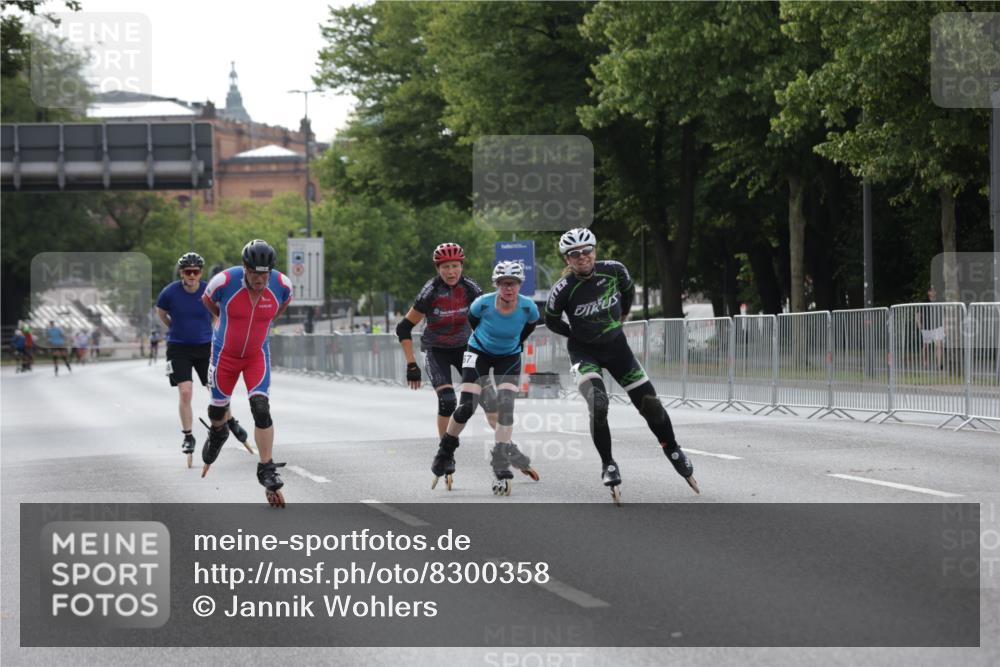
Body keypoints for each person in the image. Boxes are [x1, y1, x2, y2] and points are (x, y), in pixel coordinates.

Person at [544, 228, 698, 503]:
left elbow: (627, 294)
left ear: (595, 251)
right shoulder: (563, 290)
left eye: (586, 251)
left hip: (617, 348)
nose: (582, 257)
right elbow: (553, 321)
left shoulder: (615, 270)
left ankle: (673, 449)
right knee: (598, 404)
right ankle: (608, 464)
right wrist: (576, 335)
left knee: (651, 405)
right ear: (567, 260)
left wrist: (621, 319)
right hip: (584, 352)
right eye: (574, 254)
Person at [430, 260, 541, 495]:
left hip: (509, 356)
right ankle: (445, 450)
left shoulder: (529, 308)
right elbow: (473, 322)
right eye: (503, 284)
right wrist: (487, 342)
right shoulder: (482, 304)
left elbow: (529, 328)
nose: (508, 288)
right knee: (467, 406)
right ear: (497, 285)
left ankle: (500, 460)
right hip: (477, 352)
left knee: (506, 407)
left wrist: (512, 344)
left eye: (513, 284)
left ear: (520, 285)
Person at [202, 239, 293, 507]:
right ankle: (218, 433)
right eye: (254, 273)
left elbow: (280, 307)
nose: (260, 279)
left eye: (265, 273)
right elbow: (208, 302)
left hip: (256, 355)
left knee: (261, 407)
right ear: (245, 267)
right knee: (218, 412)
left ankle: (266, 467)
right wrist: (225, 321)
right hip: (224, 355)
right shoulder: (223, 282)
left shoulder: (282, 285)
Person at [156, 252, 251, 467]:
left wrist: (217, 331)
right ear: (181, 272)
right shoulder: (170, 292)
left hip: (205, 346)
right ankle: (188, 436)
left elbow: (219, 312)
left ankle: (230, 421)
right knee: (186, 391)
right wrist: (173, 327)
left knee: (216, 388)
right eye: (187, 271)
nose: (191, 275)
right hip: (178, 348)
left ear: (200, 273)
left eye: (195, 271)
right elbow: (161, 312)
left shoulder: (209, 289)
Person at [396, 242, 498, 440]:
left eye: (455, 266)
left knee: (489, 398)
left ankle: (506, 444)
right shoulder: (430, 291)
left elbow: (487, 320)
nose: (451, 272)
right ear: (438, 269)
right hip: (437, 351)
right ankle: (445, 451)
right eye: (445, 267)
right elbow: (403, 327)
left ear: (461, 266)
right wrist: (411, 365)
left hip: (465, 349)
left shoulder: (470, 288)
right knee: (448, 401)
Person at [915, 285, 945, 370]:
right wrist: (918, 323)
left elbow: (944, 315)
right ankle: (925, 364)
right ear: (928, 292)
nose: (933, 292)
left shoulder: (939, 302)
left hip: (937, 327)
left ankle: (939, 365)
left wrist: (945, 327)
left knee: (938, 346)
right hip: (926, 327)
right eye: (931, 290)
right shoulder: (924, 302)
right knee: (926, 347)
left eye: (934, 290)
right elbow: (918, 314)